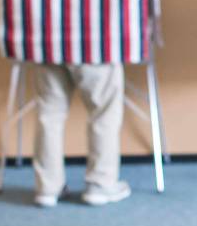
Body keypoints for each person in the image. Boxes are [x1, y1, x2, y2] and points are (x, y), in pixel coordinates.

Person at [32, 64, 131, 208]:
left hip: (48, 47)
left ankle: (47, 188)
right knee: (103, 112)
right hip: (96, 48)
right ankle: (100, 183)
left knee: (49, 115)